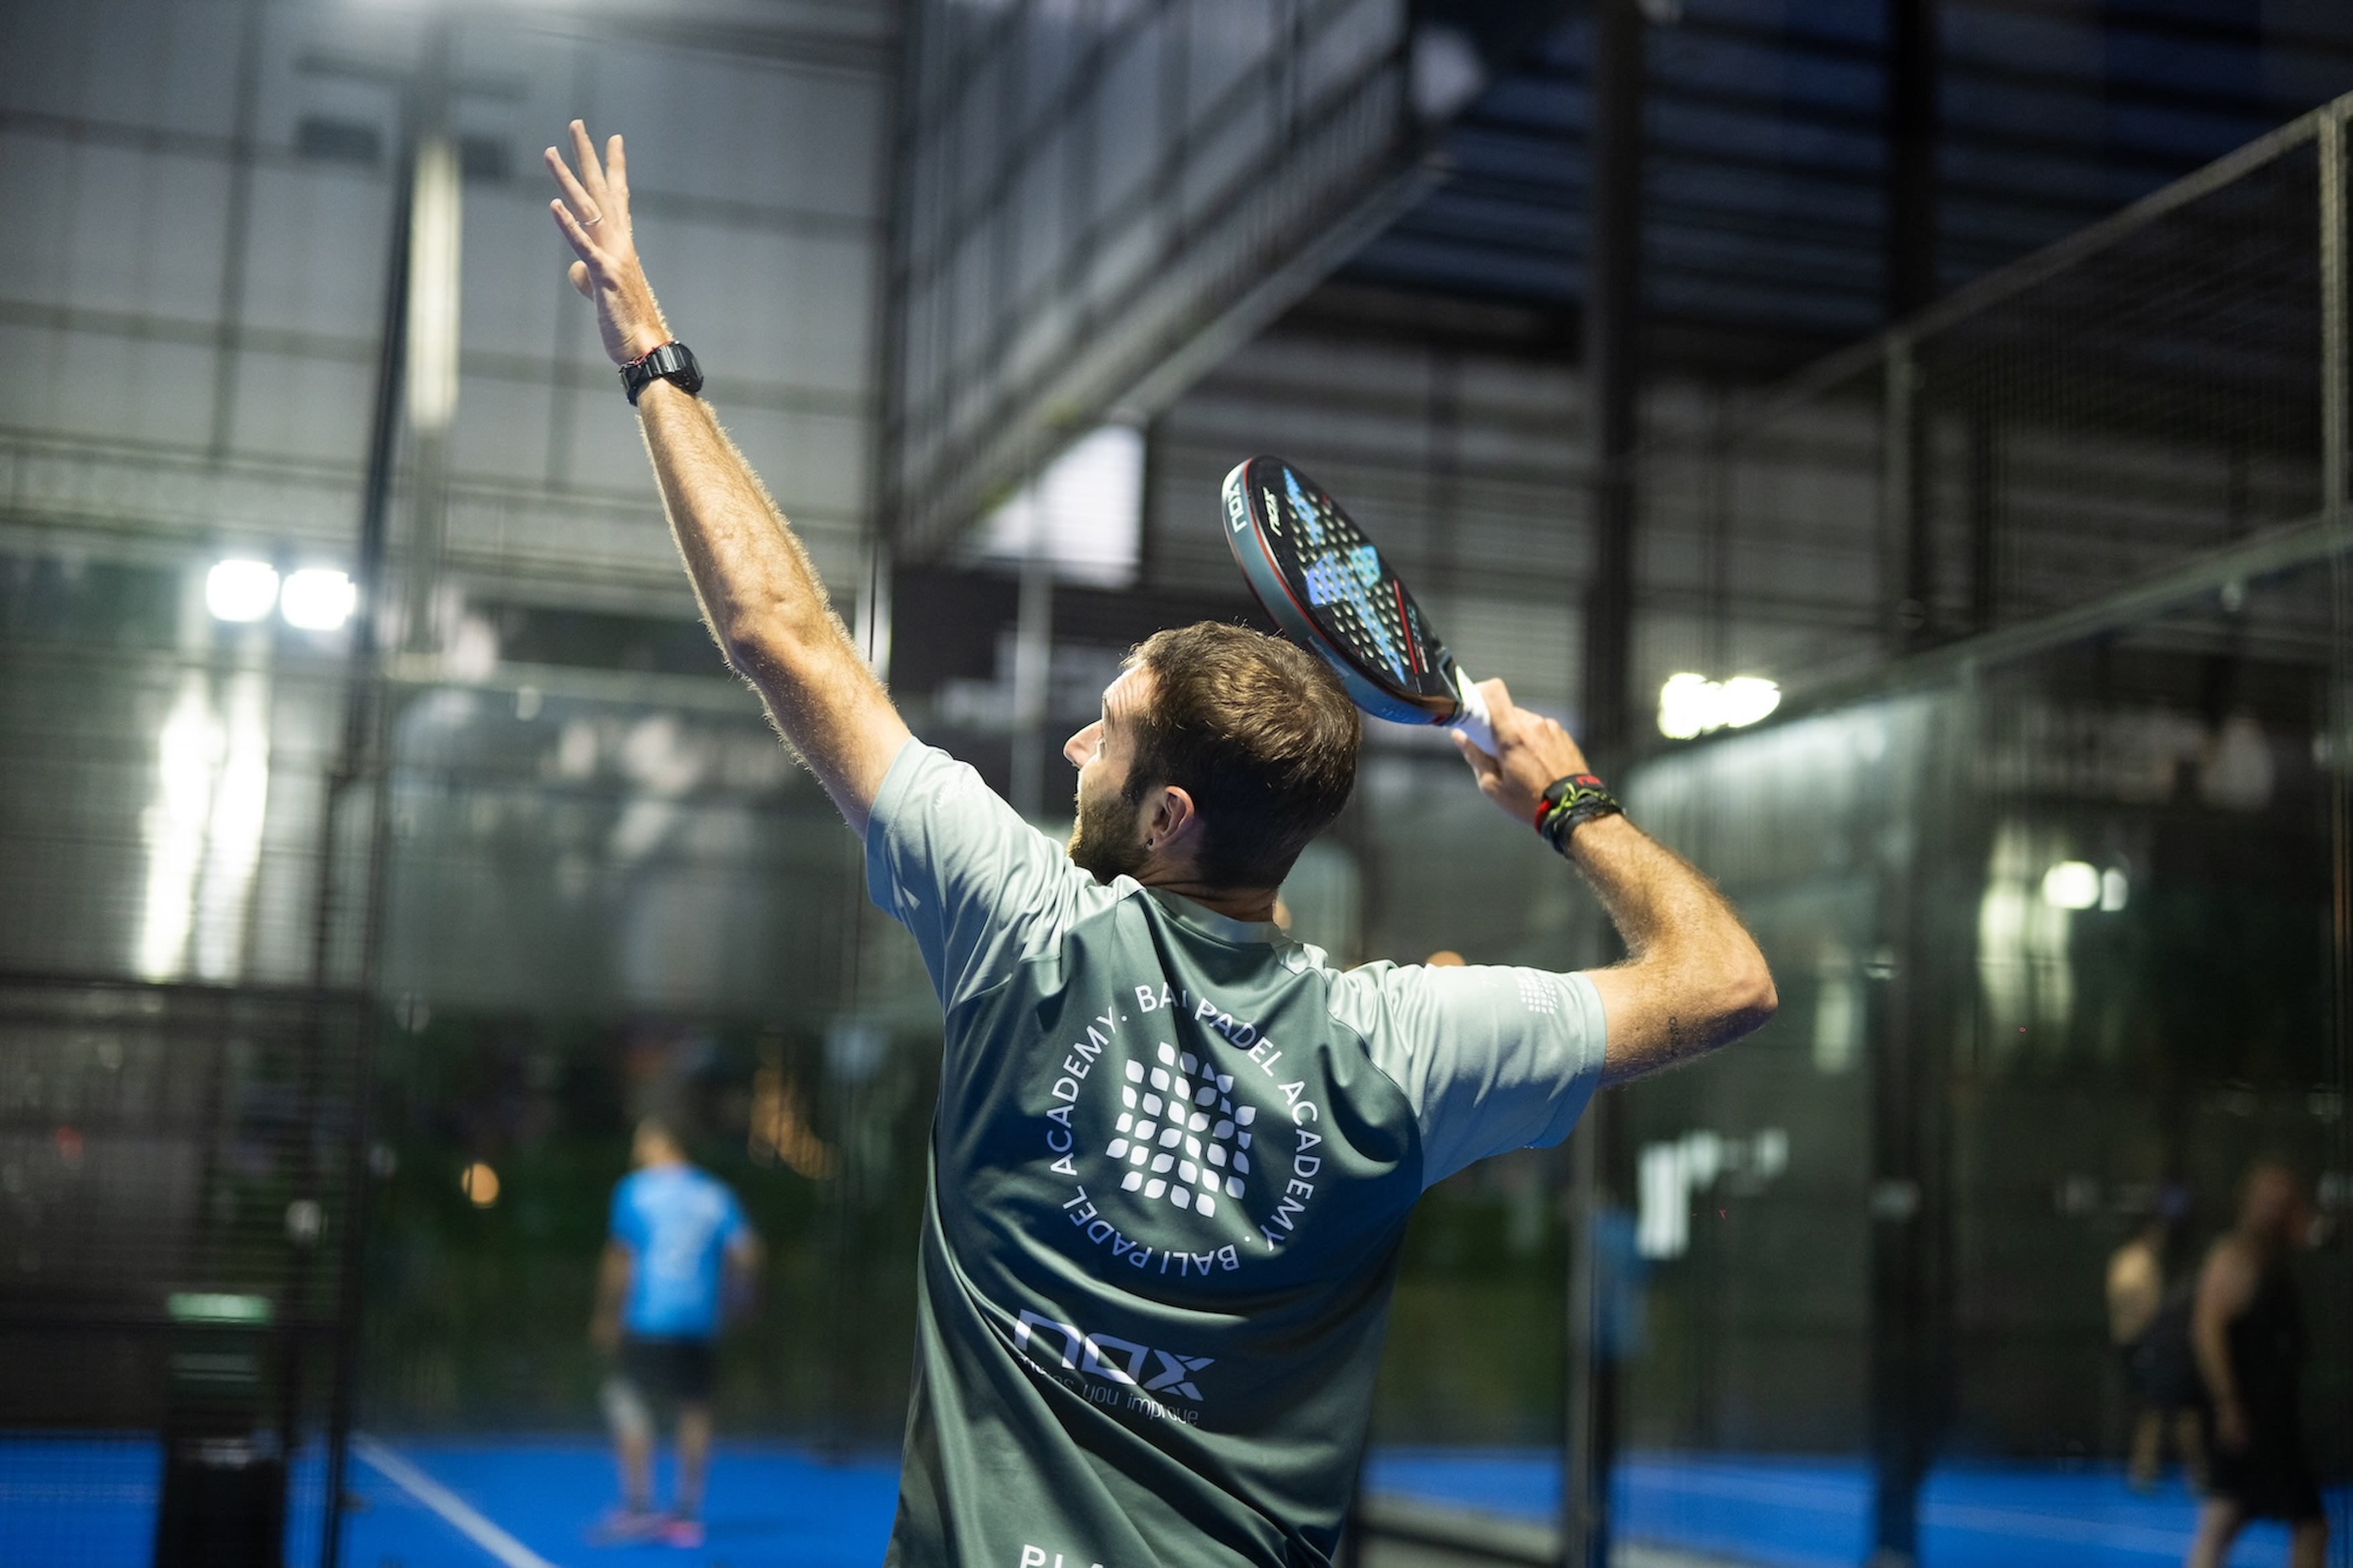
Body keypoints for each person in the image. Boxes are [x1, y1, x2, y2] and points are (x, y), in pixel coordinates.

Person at [545, 121, 1776, 1567]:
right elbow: (1724, 979)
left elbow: (782, 636)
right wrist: (1567, 798)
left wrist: (649, 349)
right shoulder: (1410, 1045)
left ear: (1169, 817)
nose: (1076, 747)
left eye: (1107, 733)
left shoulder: (1023, 926)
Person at [589, 1117, 762, 1549]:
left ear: (660, 1143)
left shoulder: (636, 1189)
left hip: (649, 1317)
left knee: (626, 1399)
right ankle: (685, 1516)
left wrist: (607, 1315)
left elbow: (621, 1257)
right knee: (695, 1407)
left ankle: (639, 1506)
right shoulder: (714, 1194)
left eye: (641, 1141)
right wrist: (738, 1300)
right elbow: (747, 1252)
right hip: (699, 1321)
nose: (636, 1150)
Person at [2185, 1163, 2327, 1568]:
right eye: (2269, 1199)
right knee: (2226, 1522)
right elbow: (2206, 1331)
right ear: (2248, 1202)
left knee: (2235, 1522)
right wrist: (2229, 1404)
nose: (2278, 1207)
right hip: (2250, 1417)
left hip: (2273, 1415)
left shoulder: (2276, 1255)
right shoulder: (2236, 1256)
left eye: (2285, 1200)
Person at [2108, 1213, 2204, 1492]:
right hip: (2146, 1346)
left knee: (2162, 1410)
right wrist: (2151, 1321)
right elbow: (2127, 1291)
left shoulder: (2133, 1260)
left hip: (2147, 1346)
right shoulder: (2136, 1261)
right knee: (2166, 1409)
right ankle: (2156, 1470)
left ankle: (2154, 1470)